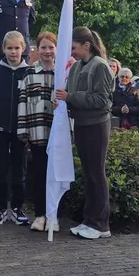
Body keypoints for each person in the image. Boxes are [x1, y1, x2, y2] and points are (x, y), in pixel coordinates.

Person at [57, 28, 114, 240]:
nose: (71, 52)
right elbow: (69, 94)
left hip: (97, 125)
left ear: (86, 45)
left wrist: (70, 97)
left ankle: (101, 224)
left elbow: (102, 100)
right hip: (81, 124)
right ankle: (90, 220)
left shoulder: (100, 66)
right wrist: (62, 100)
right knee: (89, 175)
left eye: (74, 47)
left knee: (96, 174)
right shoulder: (76, 67)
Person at [0, 31, 31, 225]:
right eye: (9, 48)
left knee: (20, 170)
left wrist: (30, 129)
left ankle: (17, 207)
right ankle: (1, 207)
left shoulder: (29, 72)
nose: (13, 52)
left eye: (17, 48)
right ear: (3, 49)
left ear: (23, 48)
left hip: (21, 131)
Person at [17, 31, 58, 232]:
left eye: (51, 47)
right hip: (37, 132)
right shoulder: (29, 73)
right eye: (43, 47)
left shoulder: (63, 74)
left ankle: (54, 215)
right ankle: (41, 214)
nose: (47, 51)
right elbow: (23, 103)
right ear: (37, 49)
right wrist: (23, 131)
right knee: (40, 174)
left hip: (57, 134)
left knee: (56, 175)